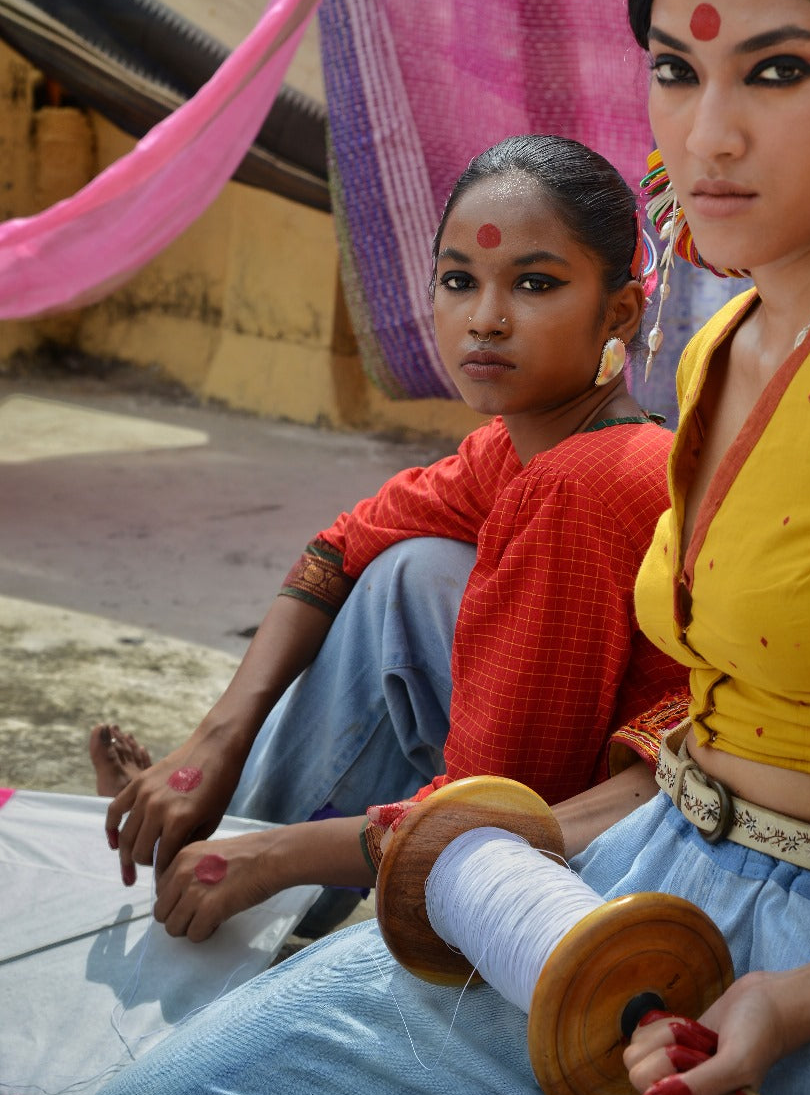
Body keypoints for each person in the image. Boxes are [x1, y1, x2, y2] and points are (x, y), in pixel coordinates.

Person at [86, 0, 810, 1095]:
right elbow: (708, 755)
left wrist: (802, 994)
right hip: (643, 891)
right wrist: (482, 853)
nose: (707, 133)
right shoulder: (726, 342)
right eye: (675, 69)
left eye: (775, 72)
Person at [90, 132, 686, 941]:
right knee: (408, 571)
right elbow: (339, 550)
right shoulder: (519, 447)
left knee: (403, 604)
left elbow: (491, 807)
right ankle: (204, 820)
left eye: (535, 285)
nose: (485, 320)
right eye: (458, 281)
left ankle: (220, 874)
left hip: (632, 846)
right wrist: (212, 742)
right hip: (548, 793)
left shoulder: (582, 483)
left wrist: (274, 857)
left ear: (619, 312)